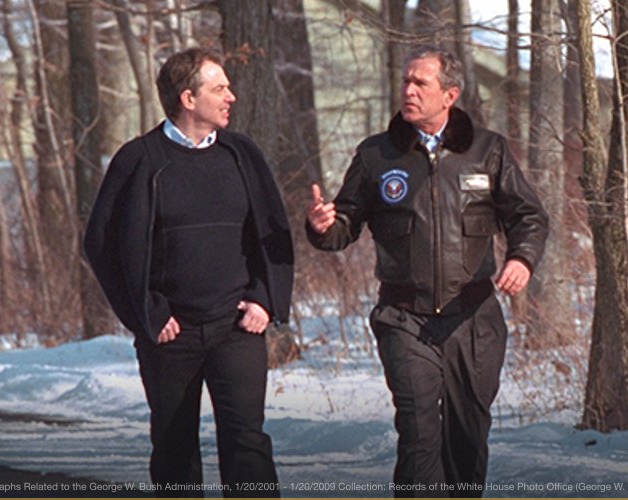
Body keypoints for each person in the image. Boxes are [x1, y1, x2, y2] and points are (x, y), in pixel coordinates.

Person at [306, 46, 548, 497]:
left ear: (449, 94)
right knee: (418, 430)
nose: (409, 90)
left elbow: (529, 217)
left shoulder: (487, 150)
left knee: (467, 435)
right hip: (405, 320)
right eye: (405, 81)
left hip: (472, 319)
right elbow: (345, 226)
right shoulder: (377, 156)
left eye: (421, 83)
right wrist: (323, 226)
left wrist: (522, 258)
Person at [84, 48, 293, 497]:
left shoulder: (242, 155)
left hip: (236, 327)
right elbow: (100, 245)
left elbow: (272, 233)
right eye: (220, 88)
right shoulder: (140, 160)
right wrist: (146, 314)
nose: (231, 97)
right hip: (170, 335)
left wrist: (263, 297)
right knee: (174, 447)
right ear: (188, 98)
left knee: (248, 443)